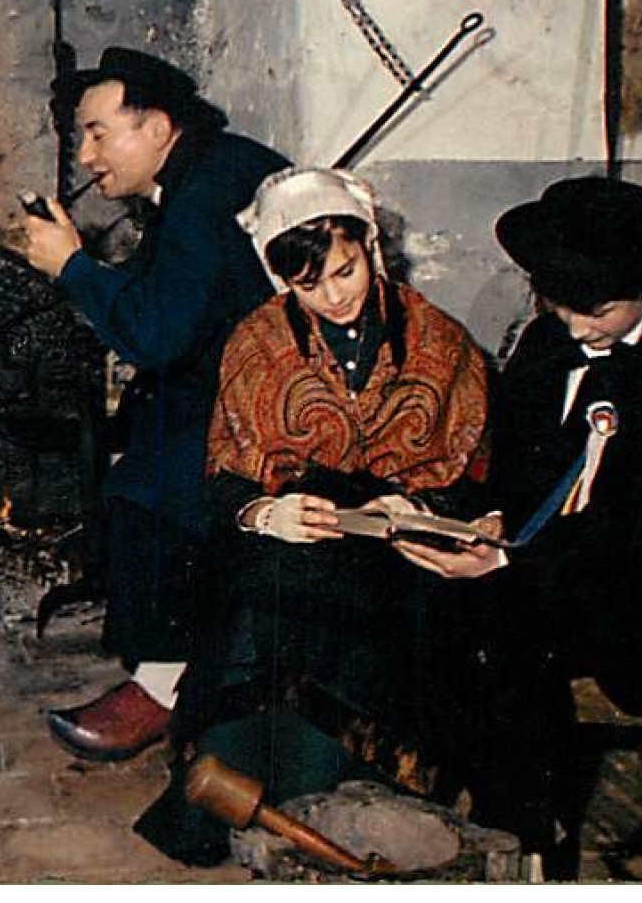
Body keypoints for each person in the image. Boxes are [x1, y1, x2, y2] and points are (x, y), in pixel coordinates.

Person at [397, 176, 642, 876]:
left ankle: (531, 840)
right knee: (436, 602)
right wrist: (495, 518)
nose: (573, 326)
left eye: (594, 309)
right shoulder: (543, 342)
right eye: (557, 304)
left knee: (497, 614)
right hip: (558, 569)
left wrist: (510, 563)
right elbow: (520, 465)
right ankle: (487, 814)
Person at [133, 166, 492, 865]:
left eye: (345, 271)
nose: (332, 297)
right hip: (290, 534)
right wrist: (268, 512)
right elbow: (224, 480)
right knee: (267, 586)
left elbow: (470, 473)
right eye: (307, 284)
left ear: (370, 246)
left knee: (366, 605)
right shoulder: (255, 342)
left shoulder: (439, 340)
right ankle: (228, 795)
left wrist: (412, 506)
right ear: (281, 282)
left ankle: (333, 799)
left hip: (398, 547)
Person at [22, 47, 288, 762]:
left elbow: (160, 332)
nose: (85, 155)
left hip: (275, 407)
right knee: (140, 445)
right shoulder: (210, 166)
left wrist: (72, 266)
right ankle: (165, 673)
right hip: (246, 381)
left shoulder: (200, 198)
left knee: (148, 484)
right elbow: (167, 287)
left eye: (98, 132)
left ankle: (165, 688)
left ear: (159, 126)